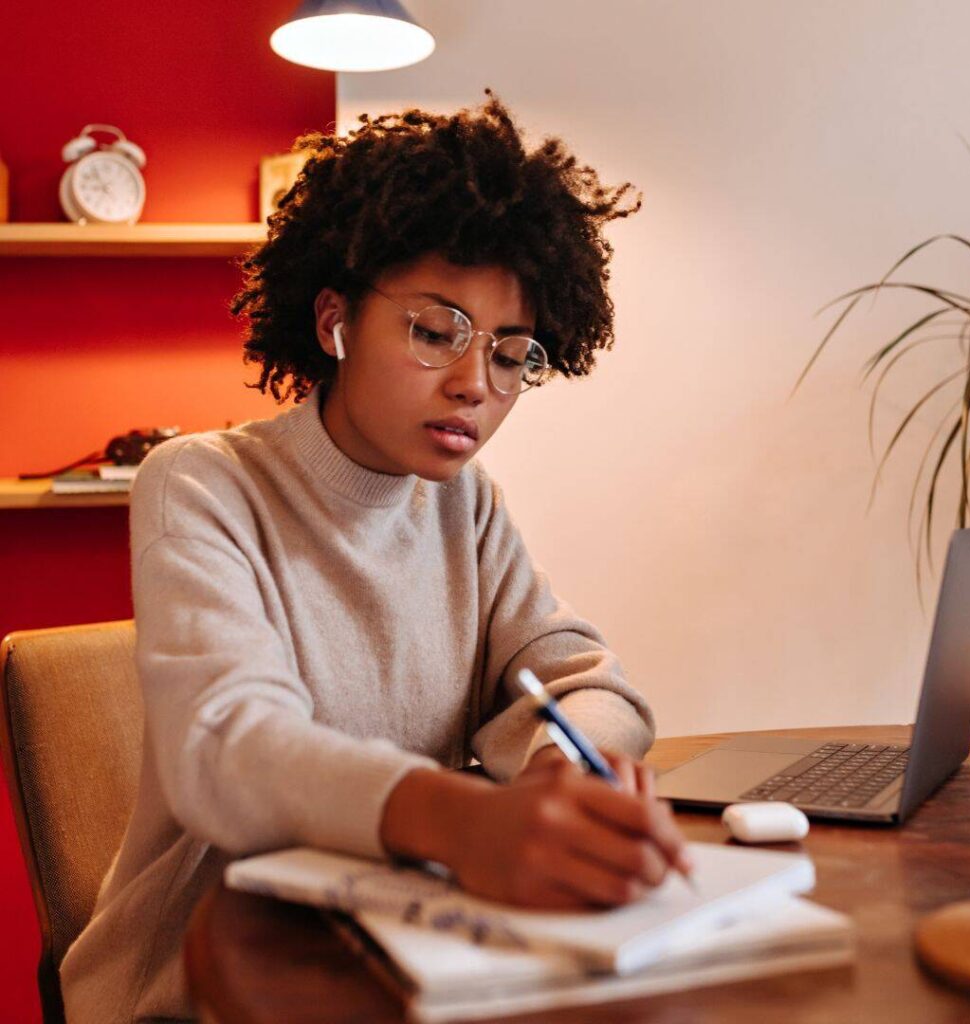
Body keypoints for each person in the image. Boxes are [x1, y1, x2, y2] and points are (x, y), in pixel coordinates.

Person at [60, 93, 689, 1023]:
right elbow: (227, 748)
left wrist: (562, 763)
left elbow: (584, 676)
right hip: (205, 972)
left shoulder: (466, 508)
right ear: (333, 321)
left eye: (513, 354)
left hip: (408, 949)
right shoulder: (202, 485)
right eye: (437, 332)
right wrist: (466, 821)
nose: (476, 383)